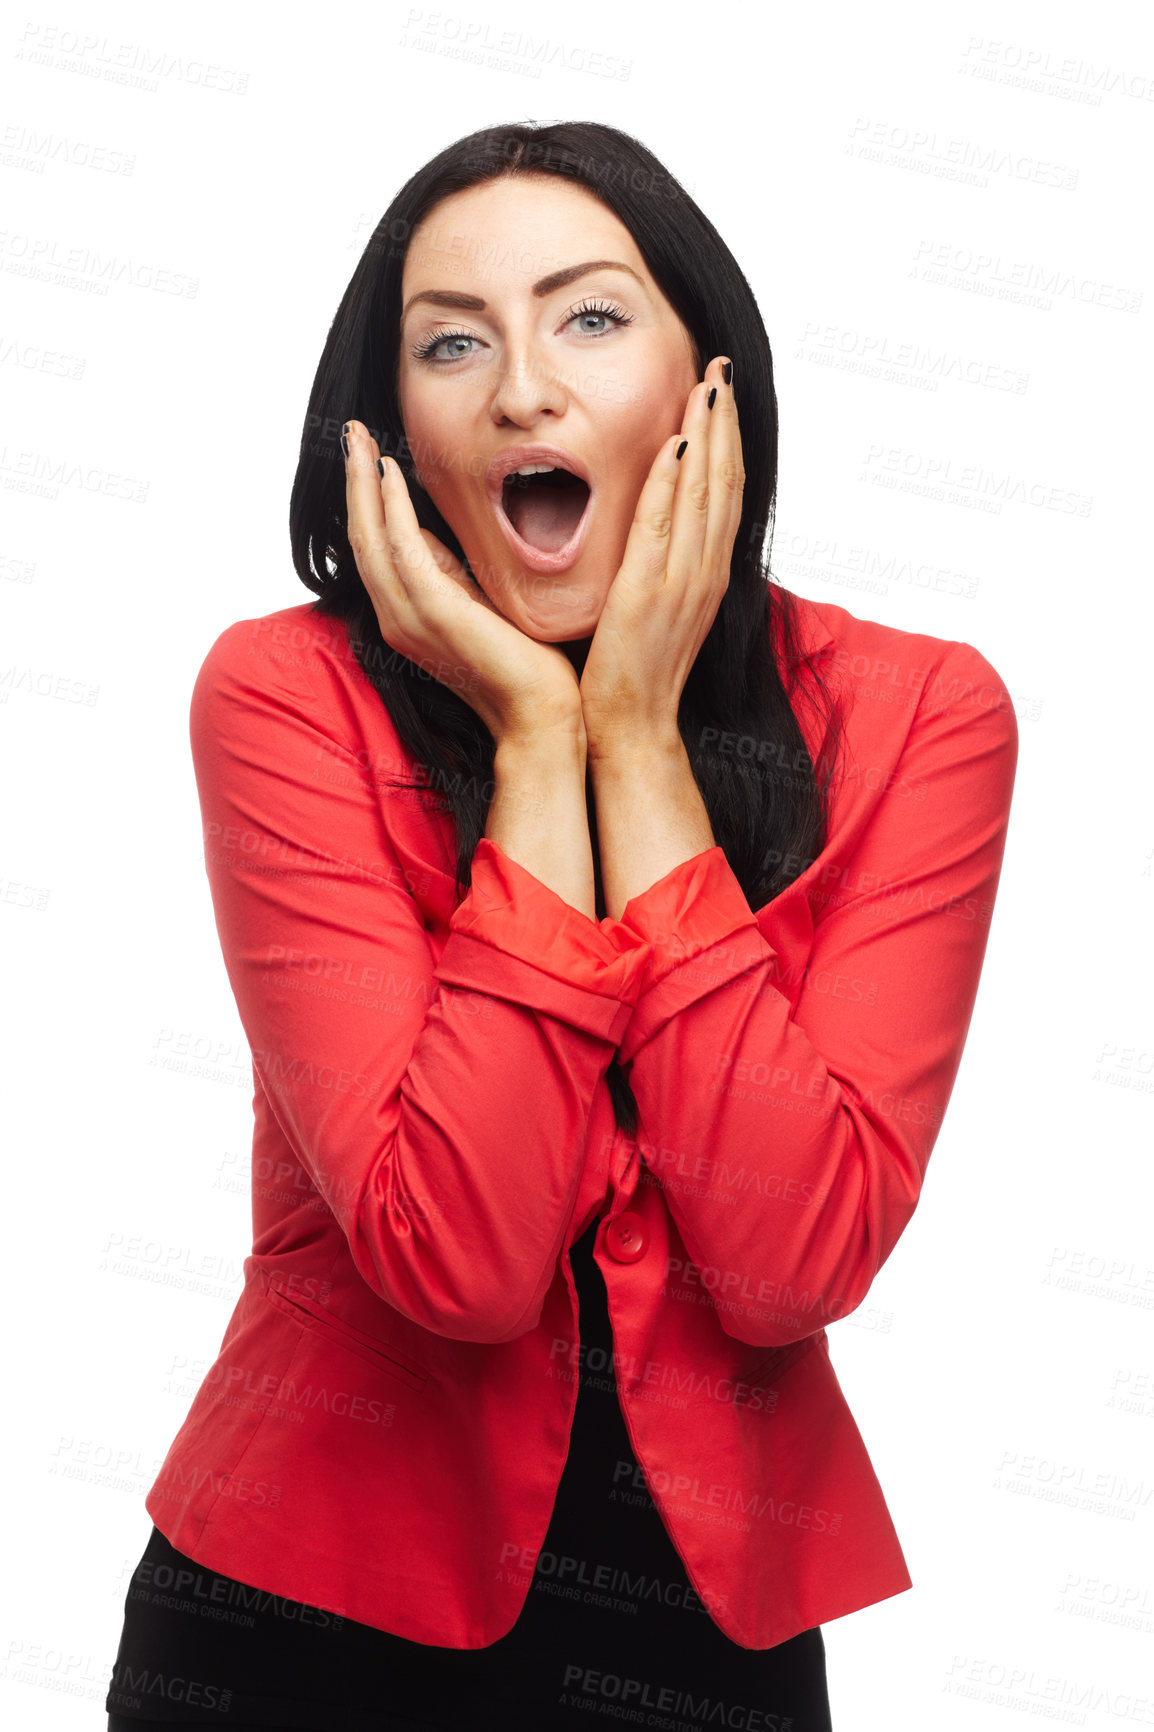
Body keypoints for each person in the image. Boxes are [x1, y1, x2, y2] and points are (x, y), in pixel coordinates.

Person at [104, 120, 1018, 1732]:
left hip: (703, 1651)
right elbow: (450, 1258)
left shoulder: (916, 715)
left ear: (705, 387)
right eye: (451, 343)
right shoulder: (284, 697)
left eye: (589, 318)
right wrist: (539, 738)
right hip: (292, 1627)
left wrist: (640, 750)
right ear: (388, 435)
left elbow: (793, 1259)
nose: (520, 387)